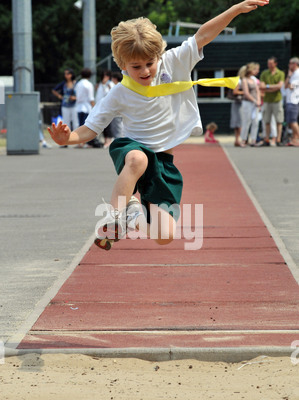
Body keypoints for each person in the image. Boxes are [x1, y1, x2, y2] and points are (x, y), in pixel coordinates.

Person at [48, 0, 270, 247]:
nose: (145, 71)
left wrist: (236, 10)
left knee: (165, 236)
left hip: (163, 162)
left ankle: (133, 216)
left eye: (149, 63)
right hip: (132, 149)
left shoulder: (173, 63)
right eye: (136, 67)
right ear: (122, 65)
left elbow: (203, 35)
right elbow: (90, 128)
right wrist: (66, 138)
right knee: (138, 159)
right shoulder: (118, 93)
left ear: (158, 56)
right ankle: (115, 218)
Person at [260, 57, 285, 146]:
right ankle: (266, 139)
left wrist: (267, 87)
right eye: (268, 63)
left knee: (279, 120)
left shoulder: (280, 73)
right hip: (267, 101)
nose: (269, 65)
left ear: (275, 64)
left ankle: (278, 140)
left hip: (277, 100)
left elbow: (279, 86)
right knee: (267, 120)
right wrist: (272, 87)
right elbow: (261, 87)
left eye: (271, 63)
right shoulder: (264, 73)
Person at [52, 68, 78, 139]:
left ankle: (77, 138)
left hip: (74, 105)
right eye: (65, 74)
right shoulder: (63, 83)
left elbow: (80, 94)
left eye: (68, 74)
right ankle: (67, 138)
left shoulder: (76, 83)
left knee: (75, 122)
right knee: (66, 123)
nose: (66, 75)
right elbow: (54, 90)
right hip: (65, 105)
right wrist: (60, 96)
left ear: (71, 74)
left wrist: (75, 98)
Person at [240, 62, 262, 147]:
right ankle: (243, 140)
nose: (256, 71)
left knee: (255, 121)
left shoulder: (253, 79)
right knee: (246, 121)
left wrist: (259, 100)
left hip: (255, 104)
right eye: (254, 69)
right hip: (247, 103)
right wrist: (254, 100)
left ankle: (253, 140)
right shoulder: (244, 80)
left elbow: (257, 90)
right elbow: (246, 93)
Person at [75, 68, 96, 148]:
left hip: (79, 107)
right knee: (87, 126)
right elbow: (91, 98)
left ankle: (80, 142)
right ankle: (85, 143)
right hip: (87, 107)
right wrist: (94, 107)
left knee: (80, 125)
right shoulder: (89, 84)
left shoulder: (78, 84)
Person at [96, 70, 115, 148]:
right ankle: (105, 139)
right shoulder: (100, 84)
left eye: (106, 75)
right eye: (103, 76)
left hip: (108, 107)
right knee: (103, 125)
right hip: (100, 107)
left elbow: (111, 94)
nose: (105, 77)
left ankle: (109, 140)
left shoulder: (110, 84)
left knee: (108, 125)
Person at [229, 65, 245, 147]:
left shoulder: (239, 80)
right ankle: (240, 140)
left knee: (237, 122)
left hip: (237, 103)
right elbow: (235, 92)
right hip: (239, 103)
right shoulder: (239, 81)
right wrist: (245, 92)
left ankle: (237, 139)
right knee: (240, 122)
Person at [285, 57, 299, 147]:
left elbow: (289, 86)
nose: (288, 65)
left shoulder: (297, 74)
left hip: (294, 100)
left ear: (294, 64)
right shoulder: (294, 73)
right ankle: (294, 139)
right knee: (292, 121)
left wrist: (289, 76)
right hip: (291, 100)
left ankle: (297, 139)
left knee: (292, 121)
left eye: (290, 63)